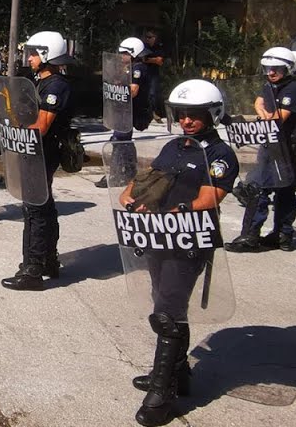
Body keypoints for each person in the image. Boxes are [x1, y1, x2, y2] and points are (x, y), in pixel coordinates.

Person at [116, 79, 238, 427]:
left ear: (212, 114)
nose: (187, 120)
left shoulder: (219, 154)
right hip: (157, 237)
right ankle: (176, 373)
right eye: (182, 114)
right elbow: (148, 177)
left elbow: (211, 197)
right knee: (163, 303)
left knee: (168, 312)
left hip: (189, 242)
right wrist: (129, 195)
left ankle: (162, 393)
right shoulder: (175, 146)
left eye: (194, 115)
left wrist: (181, 210)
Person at [1, 31, 76, 292]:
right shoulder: (41, 81)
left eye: (34, 53)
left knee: (34, 209)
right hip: (35, 152)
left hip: (44, 152)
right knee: (43, 206)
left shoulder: (56, 85)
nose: (30, 58)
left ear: (47, 54)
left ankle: (32, 269)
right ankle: (48, 260)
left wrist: (17, 128)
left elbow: (41, 126)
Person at [227, 46, 296, 253]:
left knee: (277, 190)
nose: (270, 72)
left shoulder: (295, 89)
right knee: (260, 189)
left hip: (288, 148)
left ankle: (271, 235)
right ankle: (266, 234)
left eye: (276, 68)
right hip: (271, 145)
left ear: (288, 68)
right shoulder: (270, 86)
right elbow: (258, 102)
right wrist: (263, 113)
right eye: (267, 68)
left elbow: (277, 119)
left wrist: (264, 116)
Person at [96, 37, 150, 189]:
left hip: (132, 111)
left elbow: (133, 91)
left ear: (134, 53)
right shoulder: (130, 67)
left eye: (125, 53)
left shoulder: (138, 68)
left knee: (118, 140)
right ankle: (130, 172)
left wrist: (119, 88)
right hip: (124, 111)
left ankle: (115, 175)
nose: (121, 57)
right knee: (124, 140)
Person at [142, 29, 166, 121]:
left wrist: (150, 59)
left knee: (153, 94)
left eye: (150, 37)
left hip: (153, 74)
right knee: (143, 93)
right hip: (143, 73)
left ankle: (154, 112)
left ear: (154, 38)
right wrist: (154, 60)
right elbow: (143, 59)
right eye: (146, 37)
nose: (147, 39)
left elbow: (160, 61)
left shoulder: (159, 47)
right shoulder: (143, 47)